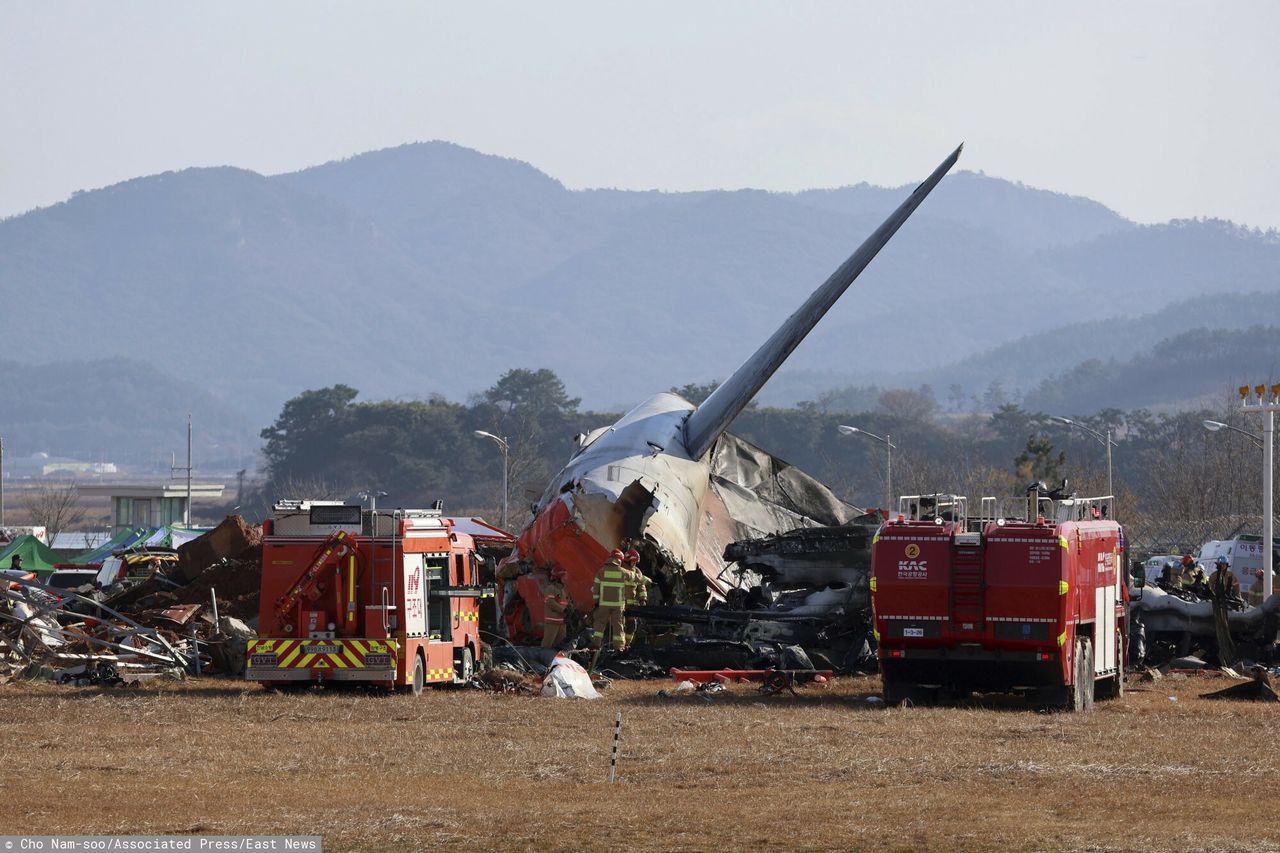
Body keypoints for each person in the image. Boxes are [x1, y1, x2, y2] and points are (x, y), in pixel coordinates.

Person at [590, 549, 628, 652]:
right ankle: (619, 648)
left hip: (603, 604)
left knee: (599, 625)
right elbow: (634, 579)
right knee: (618, 626)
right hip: (618, 606)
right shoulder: (623, 572)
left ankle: (595, 646)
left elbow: (596, 587)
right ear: (619, 560)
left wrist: (596, 601)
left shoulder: (601, 571)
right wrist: (646, 580)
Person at [1208, 556, 1241, 667]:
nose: (1222, 566)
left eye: (1223, 564)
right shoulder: (1213, 576)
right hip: (1217, 603)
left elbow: (1236, 589)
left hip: (1230, 602)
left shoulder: (1231, 576)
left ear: (1227, 565)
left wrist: (1238, 598)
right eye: (1220, 564)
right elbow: (1210, 589)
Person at [621, 548, 647, 649]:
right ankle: (617, 645)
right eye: (633, 561)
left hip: (631, 606)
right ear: (628, 559)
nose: (635, 563)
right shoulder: (620, 569)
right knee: (620, 626)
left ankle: (627, 645)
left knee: (632, 626)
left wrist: (643, 599)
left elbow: (642, 587)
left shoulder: (637, 571)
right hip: (620, 603)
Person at [541, 567, 570, 650]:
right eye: (564, 576)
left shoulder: (564, 590)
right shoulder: (550, 588)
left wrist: (571, 610)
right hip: (552, 622)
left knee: (560, 646)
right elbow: (550, 602)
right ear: (558, 578)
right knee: (547, 644)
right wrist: (563, 609)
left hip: (562, 623)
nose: (566, 578)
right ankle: (542, 660)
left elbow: (567, 602)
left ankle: (558, 661)